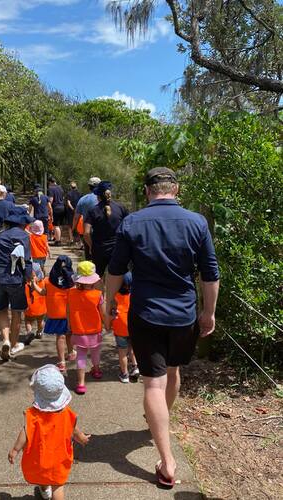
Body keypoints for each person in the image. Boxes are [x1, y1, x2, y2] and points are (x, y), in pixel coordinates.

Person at [106, 167, 220, 488]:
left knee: (152, 385)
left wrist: (108, 303)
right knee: (173, 373)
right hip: (184, 316)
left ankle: (167, 460)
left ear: (147, 192)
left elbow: (115, 270)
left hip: (146, 315)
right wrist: (208, 313)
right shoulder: (197, 222)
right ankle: (160, 423)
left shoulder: (132, 222)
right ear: (176, 189)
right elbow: (210, 274)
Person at [8, 364, 90, 500]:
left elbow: (25, 433)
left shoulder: (33, 415)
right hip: (59, 457)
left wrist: (15, 450)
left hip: (40, 457)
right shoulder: (67, 414)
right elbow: (73, 430)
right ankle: (48, 491)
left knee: (42, 476)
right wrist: (81, 438)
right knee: (58, 485)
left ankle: (45, 489)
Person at [0, 206, 35, 361]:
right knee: (17, 312)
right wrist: (29, 277)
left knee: (1, 310)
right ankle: (14, 345)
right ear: (23, 223)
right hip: (15, 279)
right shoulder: (24, 237)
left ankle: (6, 340)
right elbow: (27, 261)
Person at [67, 261, 105, 395]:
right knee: (95, 352)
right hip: (95, 330)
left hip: (78, 330)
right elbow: (102, 312)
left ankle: (81, 383)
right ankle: (96, 370)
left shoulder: (71, 293)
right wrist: (107, 323)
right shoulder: (98, 295)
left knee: (81, 356)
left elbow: (68, 310)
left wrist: (69, 324)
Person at [84, 181, 128, 279]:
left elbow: (86, 233)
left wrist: (91, 247)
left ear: (98, 196)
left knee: (97, 277)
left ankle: (100, 294)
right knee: (117, 277)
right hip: (117, 249)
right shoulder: (121, 208)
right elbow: (127, 228)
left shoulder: (93, 211)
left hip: (99, 249)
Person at [40, 256, 76, 374]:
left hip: (55, 315)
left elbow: (42, 292)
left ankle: (61, 362)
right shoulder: (73, 283)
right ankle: (71, 353)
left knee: (60, 337)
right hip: (69, 315)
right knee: (69, 334)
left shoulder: (47, 281)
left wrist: (33, 284)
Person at [110, 272, 139, 383]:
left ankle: (124, 374)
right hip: (133, 326)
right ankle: (135, 367)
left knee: (122, 352)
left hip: (120, 328)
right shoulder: (135, 295)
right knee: (132, 348)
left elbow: (111, 312)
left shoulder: (115, 296)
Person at [72, 177, 100, 259]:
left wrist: (73, 228)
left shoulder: (83, 199)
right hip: (101, 231)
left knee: (89, 257)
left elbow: (76, 217)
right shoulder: (103, 198)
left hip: (87, 232)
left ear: (89, 187)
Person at [24, 263, 47, 346]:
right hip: (41, 308)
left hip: (29, 307)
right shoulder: (43, 282)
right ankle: (39, 332)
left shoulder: (25, 283)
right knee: (40, 321)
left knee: (28, 321)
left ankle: (29, 332)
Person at [47, 177, 65, 246]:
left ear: (50, 182)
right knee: (59, 225)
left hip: (56, 208)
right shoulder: (61, 188)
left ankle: (58, 241)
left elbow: (51, 199)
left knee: (56, 225)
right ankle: (58, 237)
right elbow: (63, 198)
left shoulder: (51, 189)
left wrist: (48, 209)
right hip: (62, 207)